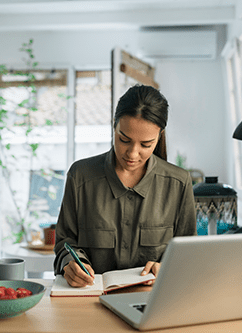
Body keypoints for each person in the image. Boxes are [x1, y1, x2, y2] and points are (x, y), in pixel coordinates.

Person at [53, 84, 197, 287]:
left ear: (159, 136)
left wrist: (167, 267)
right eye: (124, 139)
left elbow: (188, 254)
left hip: (152, 301)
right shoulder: (80, 176)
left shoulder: (178, 183)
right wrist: (72, 265)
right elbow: (64, 243)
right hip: (90, 300)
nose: (132, 153)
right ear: (114, 126)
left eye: (146, 144)